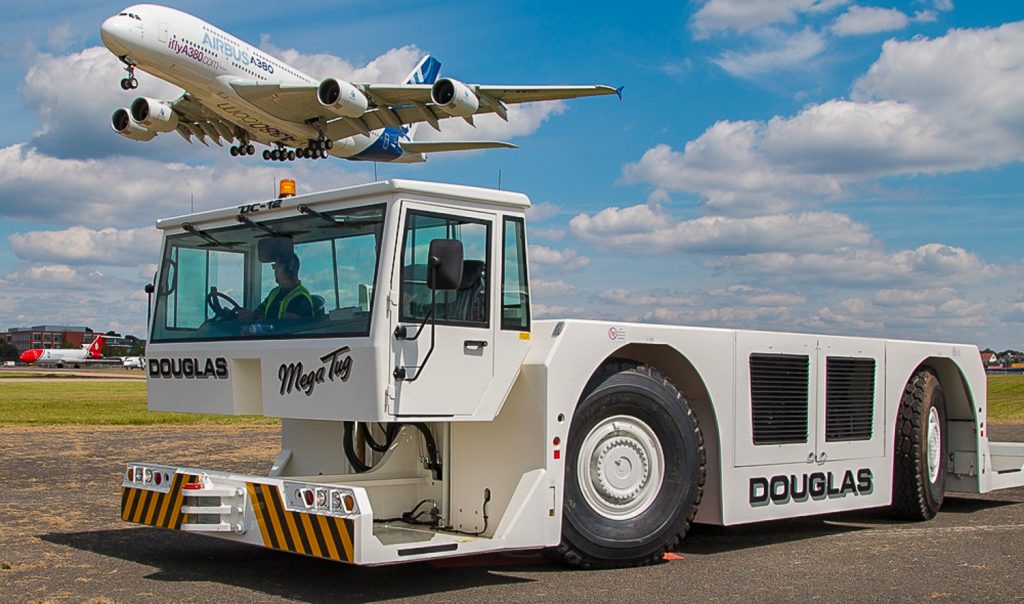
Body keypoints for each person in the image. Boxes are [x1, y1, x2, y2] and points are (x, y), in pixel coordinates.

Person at [238, 252, 313, 320]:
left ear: (290, 270)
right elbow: (261, 311)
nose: (275, 270)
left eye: (277, 266)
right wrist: (251, 315)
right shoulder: (274, 292)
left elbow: (289, 327)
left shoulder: (301, 298)